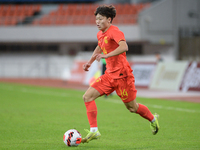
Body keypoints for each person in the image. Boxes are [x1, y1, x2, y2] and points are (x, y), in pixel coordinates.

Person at [82, 5, 159, 144]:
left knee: (132, 108)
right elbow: (99, 47)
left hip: (123, 76)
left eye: (100, 19)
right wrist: (90, 62)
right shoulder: (100, 34)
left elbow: (124, 46)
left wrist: (106, 56)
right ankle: (94, 131)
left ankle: (153, 119)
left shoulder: (115, 31)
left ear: (109, 19)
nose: (97, 22)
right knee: (87, 97)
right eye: (96, 19)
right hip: (109, 76)